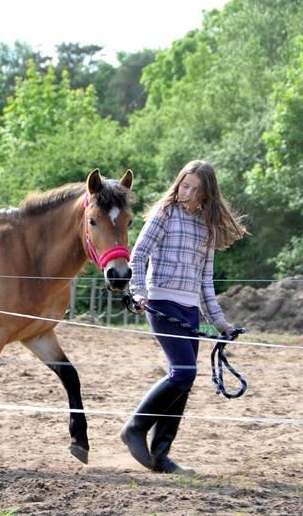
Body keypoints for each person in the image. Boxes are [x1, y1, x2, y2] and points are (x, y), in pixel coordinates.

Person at [120, 159, 248, 474]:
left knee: (184, 381)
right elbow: (138, 254)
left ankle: (161, 455)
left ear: (206, 195)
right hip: (161, 302)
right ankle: (134, 429)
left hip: (189, 310)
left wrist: (221, 324)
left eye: (193, 188)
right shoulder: (163, 214)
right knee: (183, 373)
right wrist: (138, 293)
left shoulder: (207, 226)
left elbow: (206, 281)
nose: (185, 191)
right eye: (183, 184)